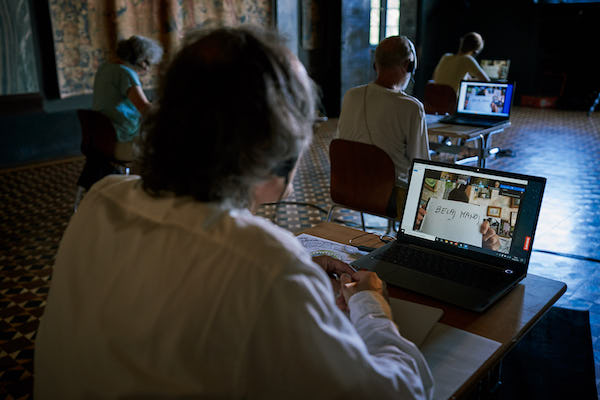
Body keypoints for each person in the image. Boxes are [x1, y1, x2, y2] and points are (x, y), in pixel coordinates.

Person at [35, 26, 434, 399]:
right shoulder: (269, 266)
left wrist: (303, 268)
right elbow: (401, 392)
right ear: (279, 152)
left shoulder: (102, 198)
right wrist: (370, 305)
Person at [337, 36, 430, 217]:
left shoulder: (350, 96)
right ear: (408, 65)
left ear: (375, 65)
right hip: (391, 199)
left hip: (346, 189)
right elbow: (421, 164)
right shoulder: (412, 107)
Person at [75, 35, 163, 192]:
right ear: (138, 59)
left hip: (101, 138)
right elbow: (145, 109)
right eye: (147, 63)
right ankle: (150, 192)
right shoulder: (126, 73)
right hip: (120, 142)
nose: (147, 69)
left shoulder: (105, 68)